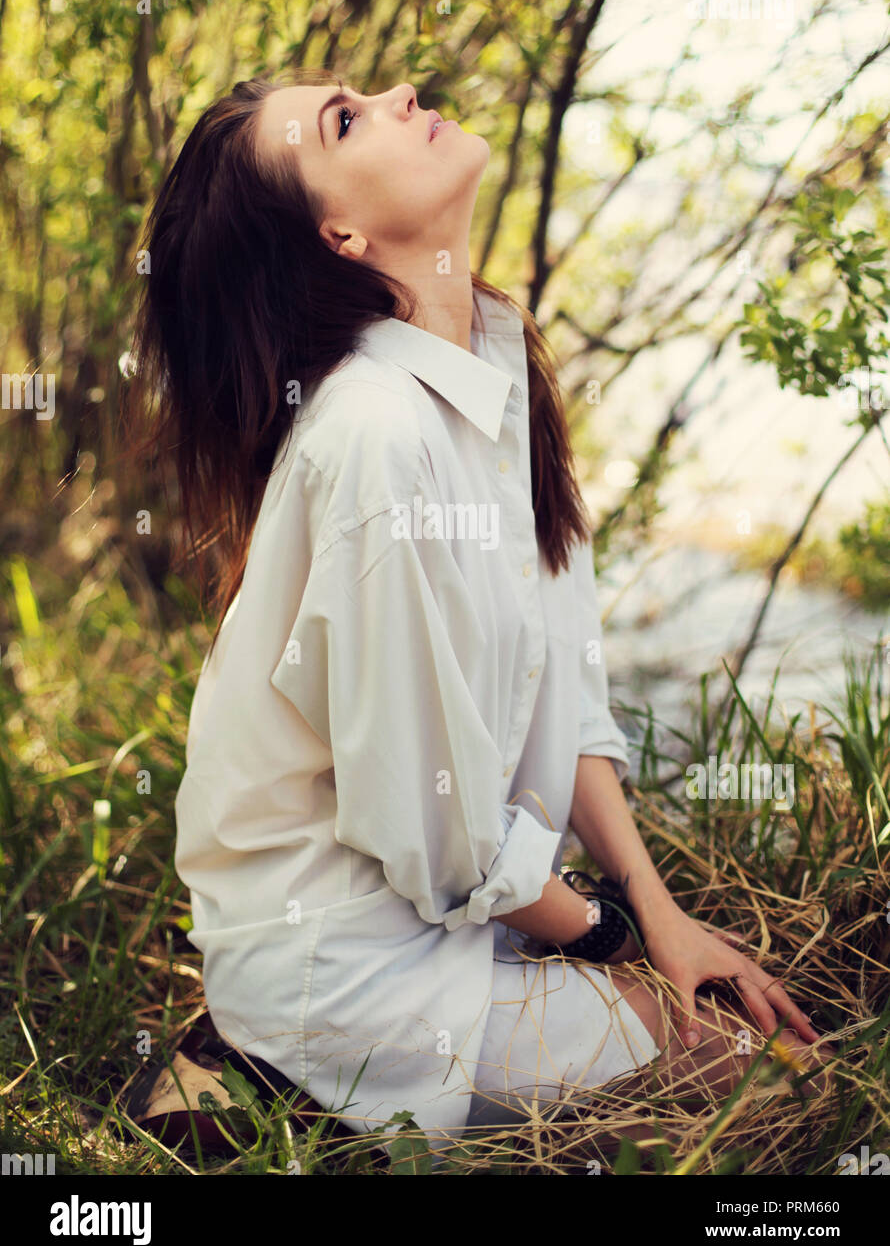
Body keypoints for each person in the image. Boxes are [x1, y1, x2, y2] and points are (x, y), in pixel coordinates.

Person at [122, 69, 826, 1165]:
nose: (401, 92)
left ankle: (264, 1069)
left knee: (761, 1037)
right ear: (337, 234)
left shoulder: (491, 350)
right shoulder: (371, 439)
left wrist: (658, 911)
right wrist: (612, 940)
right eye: (344, 121)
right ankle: (273, 1071)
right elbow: (434, 842)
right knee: (761, 1075)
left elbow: (566, 688)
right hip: (360, 968)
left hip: (475, 914)